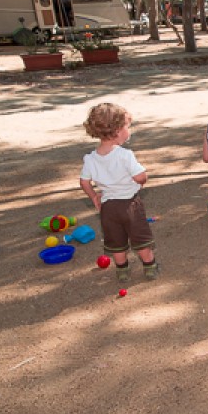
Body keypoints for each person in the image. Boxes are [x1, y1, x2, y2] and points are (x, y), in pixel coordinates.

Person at [79, 103, 158, 282]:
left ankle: (122, 271)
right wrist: (142, 179)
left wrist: (94, 197)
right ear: (117, 131)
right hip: (130, 205)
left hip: (108, 208)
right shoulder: (124, 155)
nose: (129, 131)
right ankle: (150, 267)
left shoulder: (90, 158)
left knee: (116, 242)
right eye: (127, 127)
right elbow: (140, 177)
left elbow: (84, 182)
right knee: (140, 239)